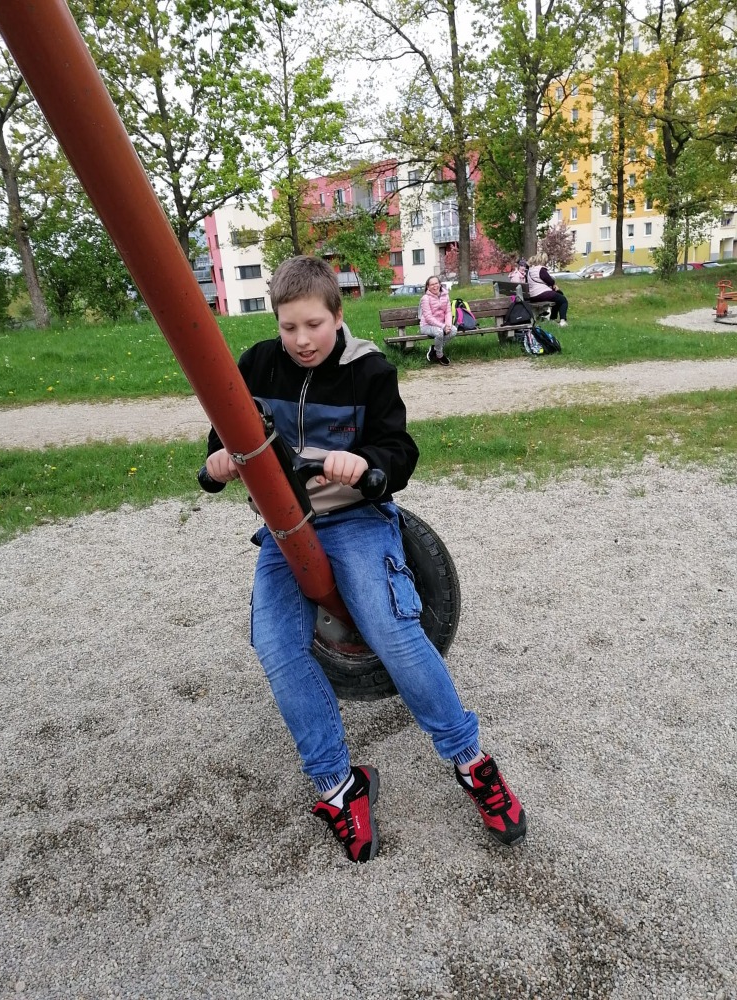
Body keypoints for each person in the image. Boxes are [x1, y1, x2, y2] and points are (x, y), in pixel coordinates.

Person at [205, 255, 526, 863]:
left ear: (337, 315)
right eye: (289, 327)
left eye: (313, 325)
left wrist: (366, 464)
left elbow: (399, 449)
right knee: (275, 644)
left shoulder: (369, 369)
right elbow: (225, 436)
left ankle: (470, 761)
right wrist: (220, 460)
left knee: (390, 628)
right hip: (285, 526)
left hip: (353, 517)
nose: (302, 340)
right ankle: (337, 784)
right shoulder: (256, 365)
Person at [419, 274, 455, 366]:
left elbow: (448, 312)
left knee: (454, 330)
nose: (435, 286)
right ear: (428, 287)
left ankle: (434, 349)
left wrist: (448, 325)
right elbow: (428, 318)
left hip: (442, 325)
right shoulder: (425, 298)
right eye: (432, 284)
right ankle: (439, 355)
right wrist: (443, 326)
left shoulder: (445, 296)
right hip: (427, 326)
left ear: (439, 284)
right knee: (439, 332)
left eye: (436, 283)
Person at [526, 253, 569, 326]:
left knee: (558, 297)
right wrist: (554, 285)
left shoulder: (531, 270)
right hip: (541, 293)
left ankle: (553, 319)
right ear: (544, 260)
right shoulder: (541, 270)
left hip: (533, 295)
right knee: (563, 300)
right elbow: (550, 281)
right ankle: (562, 321)